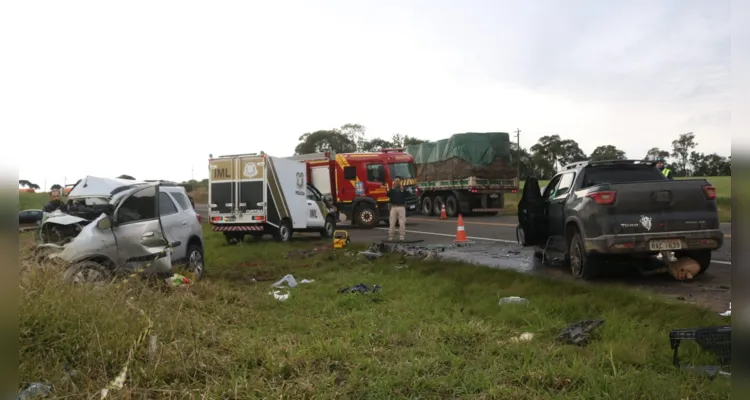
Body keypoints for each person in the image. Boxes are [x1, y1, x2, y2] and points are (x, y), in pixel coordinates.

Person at [387, 177, 407, 241]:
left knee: (402, 222)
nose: (397, 182)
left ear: (400, 182)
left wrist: (403, 190)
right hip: (393, 207)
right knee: (392, 222)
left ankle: (402, 237)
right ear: (394, 182)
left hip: (401, 207)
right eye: (396, 181)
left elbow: (408, 194)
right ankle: (391, 236)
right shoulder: (392, 190)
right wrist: (391, 189)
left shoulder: (402, 190)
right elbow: (387, 194)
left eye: (398, 181)